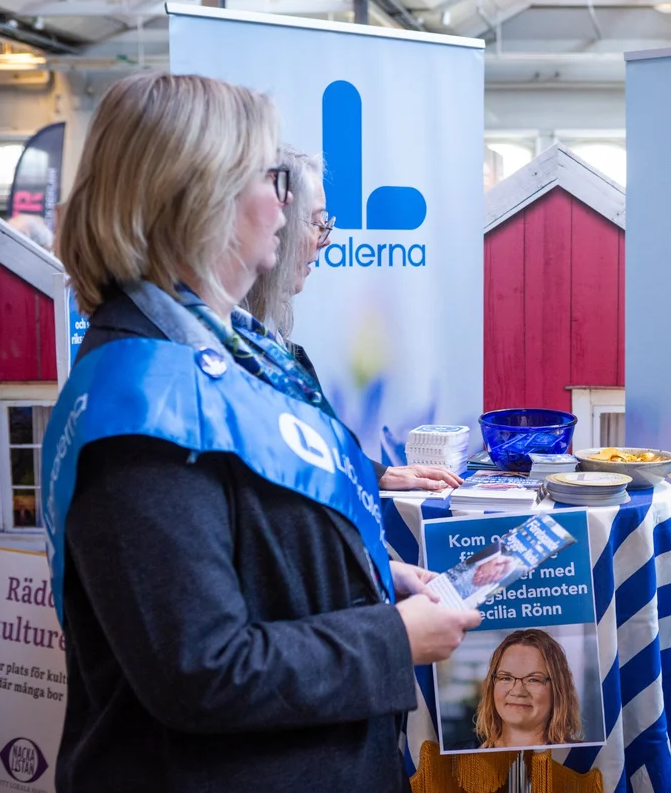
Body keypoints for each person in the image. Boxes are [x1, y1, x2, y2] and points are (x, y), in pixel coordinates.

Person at [45, 72, 480, 792]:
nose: (288, 202)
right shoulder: (144, 403)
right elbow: (202, 667)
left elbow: (254, 547)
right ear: (199, 196)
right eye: (272, 177)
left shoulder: (236, 356)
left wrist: (374, 576)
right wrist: (393, 637)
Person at [242, 144, 460, 493]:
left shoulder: (274, 347)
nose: (324, 241)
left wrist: (378, 474)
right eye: (316, 222)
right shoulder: (227, 353)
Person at [474, 629, 583, 748]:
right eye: (506, 678)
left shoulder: (584, 756)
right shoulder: (462, 753)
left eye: (533, 680)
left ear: (558, 689)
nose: (518, 692)